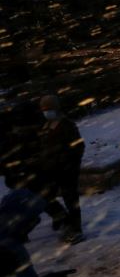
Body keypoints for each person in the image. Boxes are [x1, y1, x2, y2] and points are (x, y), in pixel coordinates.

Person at [36, 95, 84, 244]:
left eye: (49, 109)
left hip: (67, 170)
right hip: (51, 171)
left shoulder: (67, 126)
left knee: (71, 200)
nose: (46, 112)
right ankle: (63, 220)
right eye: (44, 110)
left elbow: (78, 147)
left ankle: (76, 229)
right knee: (45, 197)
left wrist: (66, 160)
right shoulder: (45, 127)